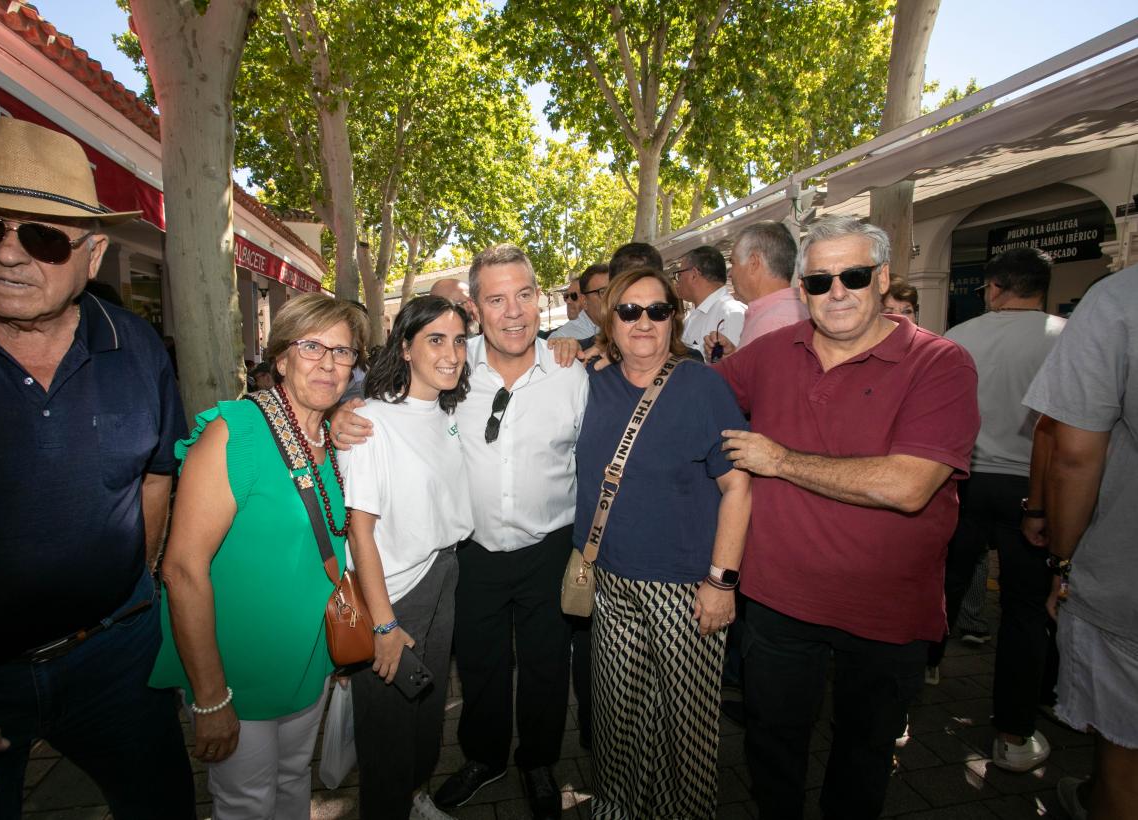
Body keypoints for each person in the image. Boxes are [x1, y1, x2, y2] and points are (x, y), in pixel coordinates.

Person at [0, 118, 194, 817]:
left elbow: (156, 475)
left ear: (92, 254)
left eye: (40, 236)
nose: (9, 255)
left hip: (118, 659)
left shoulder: (137, 347)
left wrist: (139, 593)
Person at [714, 215, 979, 819]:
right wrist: (602, 351)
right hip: (778, 599)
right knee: (771, 745)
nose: (837, 292)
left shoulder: (939, 363)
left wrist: (779, 460)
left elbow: (910, 485)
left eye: (854, 276)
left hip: (885, 610)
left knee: (862, 755)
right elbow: (691, 396)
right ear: (802, 287)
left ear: (882, 279)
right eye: (819, 280)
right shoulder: (772, 353)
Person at [333, 244, 587, 820]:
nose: (515, 312)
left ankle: (540, 760)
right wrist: (337, 417)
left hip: (549, 546)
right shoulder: (450, 361)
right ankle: (483, 758)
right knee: (480, 664)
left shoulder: (571, 372)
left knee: (548, 666)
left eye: (524, 295)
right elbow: (387, 406)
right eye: (497, 299)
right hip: (470, 555)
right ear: (476, 307)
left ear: (538, 294)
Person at [149, 295, 367, 819]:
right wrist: (211, 697)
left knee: (293, 781)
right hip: (236, 670)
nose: (329, 363)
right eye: (312, 346)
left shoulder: (333, 439)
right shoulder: (237, 432)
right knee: (245, 803)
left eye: (343, 352)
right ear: (282, 357)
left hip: (310, 657)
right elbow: (181, 569)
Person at [575, 268, 751, 817]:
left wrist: (721, 582)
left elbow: (738, 488)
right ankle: (618, 806)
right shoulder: (589, 384)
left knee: (686, 725)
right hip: (609, 582)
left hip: (684, 586)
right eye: (629, 311)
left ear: (673, 318)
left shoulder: (702, 386)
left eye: (657, 310)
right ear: (610, 319)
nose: (643, 322)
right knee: (617, 713)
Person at [338, 295, 474, 819]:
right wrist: (383, 624)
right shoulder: (372, 420)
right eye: (435, 339)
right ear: (406, 347)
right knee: (387, 730)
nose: (452, 353)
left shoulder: (444, 413)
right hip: (394, 590)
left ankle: (415, 797)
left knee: (425, 705)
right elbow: (360, 533)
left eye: (459, 340)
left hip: (444, 572)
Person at [930, 248, 1065, 769]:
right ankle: (1012, 735)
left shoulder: (957, 339)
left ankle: (924, 670)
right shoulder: (1066, 337)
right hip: (1033, 489)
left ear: (992, 288)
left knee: (944, 583)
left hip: (962, 479)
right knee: (1025, 609)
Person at [1024, 264, 1138, 820]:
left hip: (1126, 578)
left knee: (1125, 762)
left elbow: (1073, 452)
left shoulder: (1120, 300)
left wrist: (1063, 560)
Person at [699, 221, 807, 358]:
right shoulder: (783, 313)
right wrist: (734, 357)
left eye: (733, 262)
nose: (730, 273)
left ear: (754, 262)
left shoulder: (775, 322)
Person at [672, 244, 748, 354]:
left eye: (679, 275)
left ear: (694, 275)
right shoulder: (691, 316)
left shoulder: (732, 314)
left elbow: (735, 365)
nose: (677, 281)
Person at [549, 267, 598, 340]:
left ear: (585, 299)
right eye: (566, 296)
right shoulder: (561, 336)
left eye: (574, 296)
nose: (568, 301)